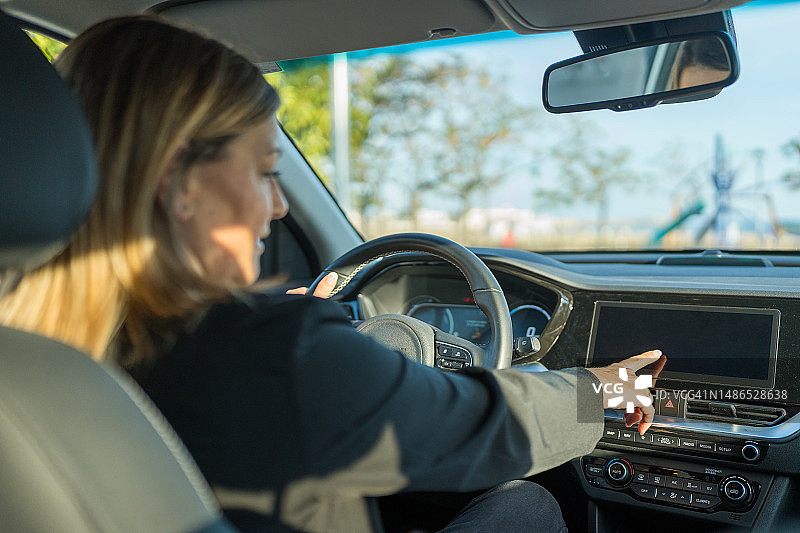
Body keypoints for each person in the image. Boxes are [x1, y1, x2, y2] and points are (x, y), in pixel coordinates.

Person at [0, 15, 665, 533]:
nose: (281, 204)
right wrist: (603, 387)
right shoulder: (270, 350)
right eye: (264, 172)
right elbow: (478, 423)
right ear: (176, 178)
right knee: (527, 508)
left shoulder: (29, 356)